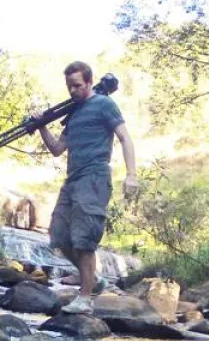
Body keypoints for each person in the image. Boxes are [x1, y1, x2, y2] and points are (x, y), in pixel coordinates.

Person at [35, 61, 138, 315]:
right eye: (69, 86)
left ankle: (85, 297)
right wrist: (41, 127)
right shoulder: (73, 114)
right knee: (58, 234)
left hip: (94, 178)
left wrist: (131, 175)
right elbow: (57, 149)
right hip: (72, 180)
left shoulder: (104, 105)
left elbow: (125, 138)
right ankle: (93, 279)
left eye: (77, 85)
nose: (72, 90)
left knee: (84, 240)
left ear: (90, 83)